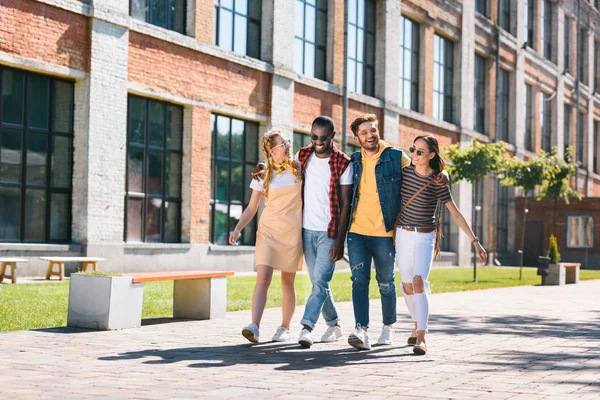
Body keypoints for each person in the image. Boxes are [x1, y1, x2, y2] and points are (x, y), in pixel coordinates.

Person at [346, 114, 447, 351]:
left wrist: (445, 175)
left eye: (373, 130)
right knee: (359, 280)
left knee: (386, 282)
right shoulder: (354, 160)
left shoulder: (396, 157)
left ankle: (388, 328)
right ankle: (361, 329)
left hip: (385, 231)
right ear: (356, 137)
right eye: (364, 132)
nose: (370, 135)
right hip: (356, 231)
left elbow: (424, 170)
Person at [396, 135, 487, 355]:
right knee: (407, 284)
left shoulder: (438, 181)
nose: (414, 155)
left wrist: (475, 241)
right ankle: (417, 323)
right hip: (403, 234)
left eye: (420, 151)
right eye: (413, 149)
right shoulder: (405, 173)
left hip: (425, 236)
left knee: (419, 281)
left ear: (431, 155)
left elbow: (455, 212)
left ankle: (422, 336)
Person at [229, 129, 303, 343]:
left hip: (291, 233)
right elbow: (252, 208)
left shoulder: (299, 168)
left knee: (287, 282)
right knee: (263, 278)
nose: (288, 146)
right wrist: (237, 228)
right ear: (271, 151)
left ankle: (285, 327)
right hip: (268, 232)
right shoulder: (263, 174)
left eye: (288, 142)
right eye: (283, 144)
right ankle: (254, 325)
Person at [295, 116, 353, 348]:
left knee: (319, 282)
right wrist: (263, 167)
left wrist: (340, 241)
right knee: (317, 281)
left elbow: (347, 204)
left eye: (323, 137)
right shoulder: (303, 155)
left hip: (329, 232)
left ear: (333, 136)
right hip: (306, 229)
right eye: (314, 137)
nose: (318, 142)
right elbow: (282, 169)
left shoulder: (343, 162)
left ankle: (306, 327)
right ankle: (334, 324)